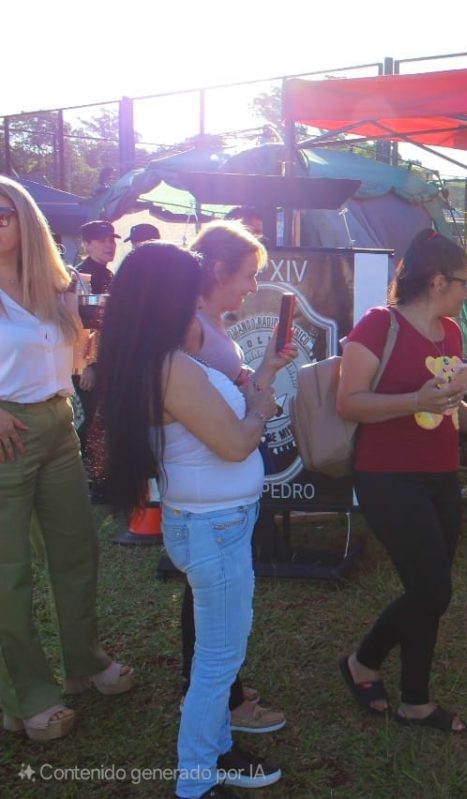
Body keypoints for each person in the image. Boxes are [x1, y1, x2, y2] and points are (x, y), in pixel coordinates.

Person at [97, 242, 281, 798]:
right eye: (189, 289)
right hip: (214, 527)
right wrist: (261, 410)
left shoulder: (149, 360)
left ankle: (218, 750)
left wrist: (263, 375)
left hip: (209, 522)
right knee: (218, 661)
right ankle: (196, 779)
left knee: (219, 651)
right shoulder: (172, 366)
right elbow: (234, 442)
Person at [336, 229, 467, 733]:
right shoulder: (377, 326)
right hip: (387, 476)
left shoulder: (452, 334)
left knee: (430, 590)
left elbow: (449, 403)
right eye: (464, 283)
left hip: (440, 473)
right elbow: (348, 401)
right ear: (438, 280)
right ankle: (362, 662)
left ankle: (414, 699)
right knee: (432, 588)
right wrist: (413, 402)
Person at [0, 176, 133, 743]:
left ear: (25, 219)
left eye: (2, 214)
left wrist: (84, 331)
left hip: (57, 421)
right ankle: (26, 692)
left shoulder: (52, 282)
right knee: (8, 572)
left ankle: (83, 661)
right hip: (6, 429)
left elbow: (76, 357)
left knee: (76, 549)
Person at [180, 221, 296, 735]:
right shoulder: (189, 327)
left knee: (214, 602)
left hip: (222, 495)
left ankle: (220, 690)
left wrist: (266, 368)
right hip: (206, 497)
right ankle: (219, 703)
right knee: (211, 606)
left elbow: (239, 396)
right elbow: (211, 415)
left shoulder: (213, 322)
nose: (253, 287)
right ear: (218, 270)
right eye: (248, 276)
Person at [73, 219, 120, 463]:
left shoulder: (109, 274)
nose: (109, 245)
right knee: (94, 420)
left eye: (112, 239)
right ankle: (88, 472)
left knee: (106, 418)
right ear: (87, 244)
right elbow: (78, 325)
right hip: (90, 365)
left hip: (109, 362)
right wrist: (86, 365)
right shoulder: (80, 277)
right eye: (102, 240)